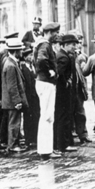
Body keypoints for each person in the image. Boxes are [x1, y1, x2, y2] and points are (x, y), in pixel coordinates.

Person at [34, 22, 61, 160]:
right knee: (47, 117)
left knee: (47, 116)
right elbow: (41, 60)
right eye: (56, 33)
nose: (57, 36)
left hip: (43, 82)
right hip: (46, 83)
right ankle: (45, 150)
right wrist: (50, 71)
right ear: (50, 32)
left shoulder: (41, 43)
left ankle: (47, 149)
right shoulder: (45, 45)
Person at [1, 38, 28, 153]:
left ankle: (14, 143)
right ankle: (12, 145)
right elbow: (12, 86)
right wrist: (17, 101)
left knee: (14, 122)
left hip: (11, 100)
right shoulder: (11, 65)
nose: (22, 52)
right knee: (14, 123)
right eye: (20, 50)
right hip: (12, 101)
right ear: (16, 51)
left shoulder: (10, 62)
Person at [54, 34, 79, 153]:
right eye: (73, 45)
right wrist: (66, 82)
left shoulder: (60, 55)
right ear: (65, 45)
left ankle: (60, 144)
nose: (75, 47)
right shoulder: (64, 57)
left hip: (60, 92)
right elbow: (60, 74)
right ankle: (63, 145)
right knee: (63, 117)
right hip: (63, 93)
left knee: (61, 117)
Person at [70, 31, 91, 144]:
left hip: (79, 88)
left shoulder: (83, 56)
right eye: (77, 42)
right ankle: (72, 132)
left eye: (81, 43)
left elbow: (85, 73)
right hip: (70, 87)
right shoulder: (68, 55)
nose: (79, 45)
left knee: (80, 111)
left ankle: (83, 134)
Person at [19, 47, 39, 149]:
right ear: (25, 57)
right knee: (27, 118)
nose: (31, 58)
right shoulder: (23, 69)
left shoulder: (33, 67)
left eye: (32, 55)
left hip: (35, 96)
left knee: (36, 116)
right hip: (28, 96)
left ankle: (34, 138)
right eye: (29, 56)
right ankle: (28, 139)